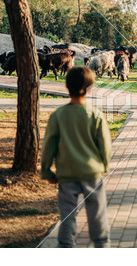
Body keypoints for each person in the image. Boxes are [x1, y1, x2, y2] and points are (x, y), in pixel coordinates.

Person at [41, 66, 112, 248]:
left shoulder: (58, 116)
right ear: (90, 88)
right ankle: (101, 244)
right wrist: (103, 165)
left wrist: (47, 172)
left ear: (66, 87)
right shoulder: (95, 115)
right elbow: (105, 145)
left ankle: (65, 246)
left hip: (67, 174)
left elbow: (49, 146)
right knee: (97, 214)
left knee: (67, 215)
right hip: (92, 173)